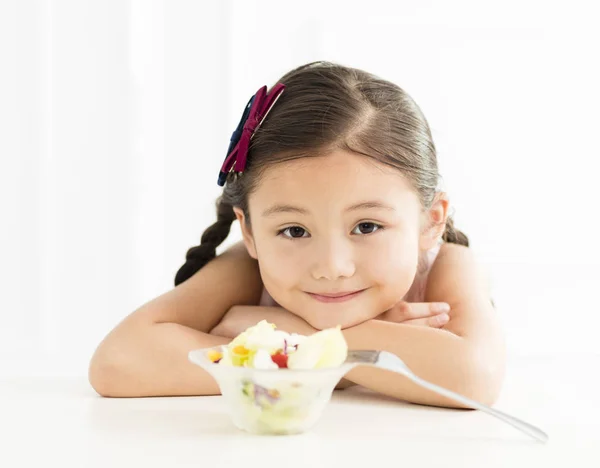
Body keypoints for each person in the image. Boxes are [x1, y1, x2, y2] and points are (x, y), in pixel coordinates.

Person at [89, 61, 505, 408]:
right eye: (294, 230)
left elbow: (474, 378)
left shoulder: (449, 265)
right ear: (249, 231)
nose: (331, 266)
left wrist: (282, 336)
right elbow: (119, 362)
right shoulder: (247, 266)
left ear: (431, 221)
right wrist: (357, 355)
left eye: (367, 226)